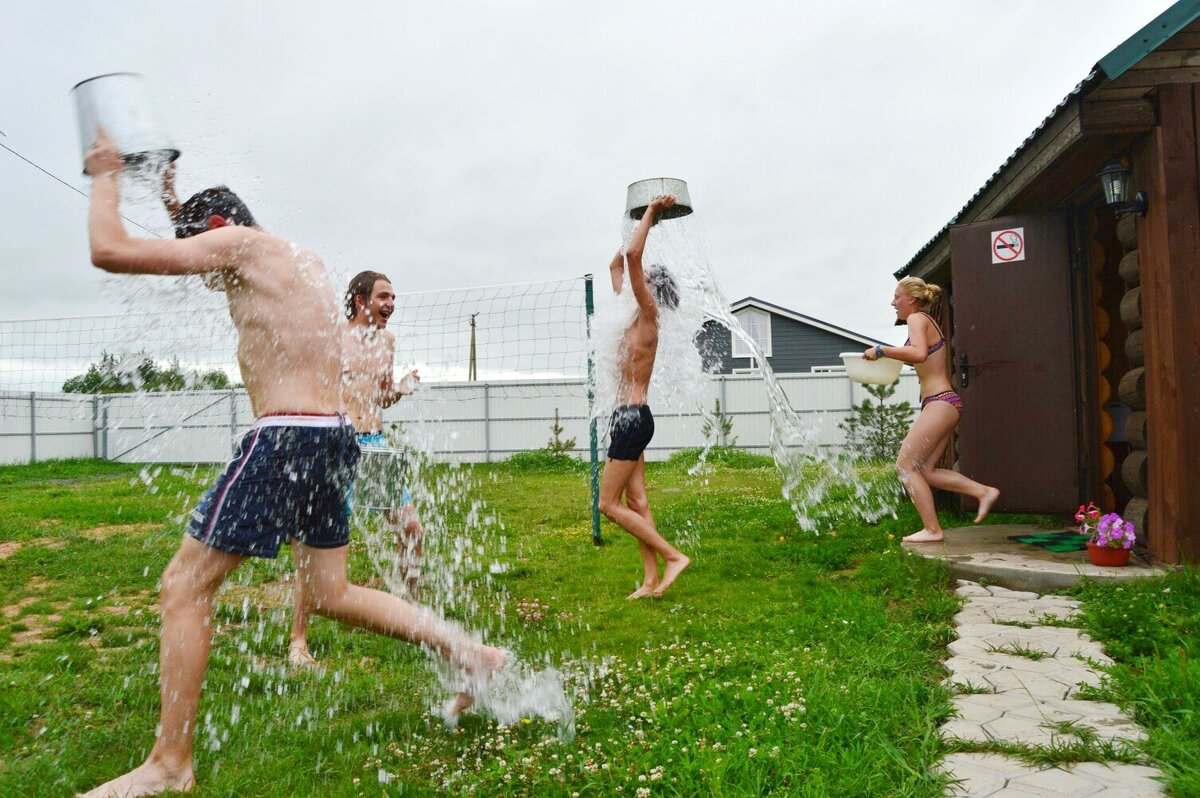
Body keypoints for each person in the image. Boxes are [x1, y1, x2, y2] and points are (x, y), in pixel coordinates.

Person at [78, 128, 503, 798]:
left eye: (203, 241)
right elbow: (199, 244)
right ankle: (471, 653)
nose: (204, 268)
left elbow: (112, 251)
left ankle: (169, 763)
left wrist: (105, 174)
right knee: (331, 593)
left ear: (218, 227)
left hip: (286, 435)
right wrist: (168, 193)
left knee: (183, 587)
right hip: (333, 434)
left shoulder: (237, 246)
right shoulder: (289, 257)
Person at [288, 270, 426, 667]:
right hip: (338, 447)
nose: (391, 305)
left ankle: (411, 615)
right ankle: (299, 640)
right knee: (318, 550)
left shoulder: (387, 341)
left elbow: (381, 396)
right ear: (361, 300)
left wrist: (399, 387)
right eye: (384, 297)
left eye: (394, 298)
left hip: (375, 446)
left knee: (412, 531)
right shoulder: (334, 339)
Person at [597, 195, 691, 599]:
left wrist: (650, 214)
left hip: (634, 418)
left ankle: (673, 557)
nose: (640, 276)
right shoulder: (628, 314)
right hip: (628, 417)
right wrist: (632, 219)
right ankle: (651, 580)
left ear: (652, 288)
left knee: (607, 504)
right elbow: (618, 263)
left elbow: (634, 256)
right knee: (636, 500)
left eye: (646, 276)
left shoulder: (649, 317)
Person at [863, 276, 1000, 543]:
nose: (893, 303)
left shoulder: (916, 319)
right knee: (925, 470)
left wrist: (881, 350)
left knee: (905, 467)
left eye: (896, 297)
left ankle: (933, 529)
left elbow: (919, 354)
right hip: (944, 402)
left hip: (940, 402)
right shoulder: (925, 322)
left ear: (911, 300)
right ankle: (983, 492)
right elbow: (918, 355)